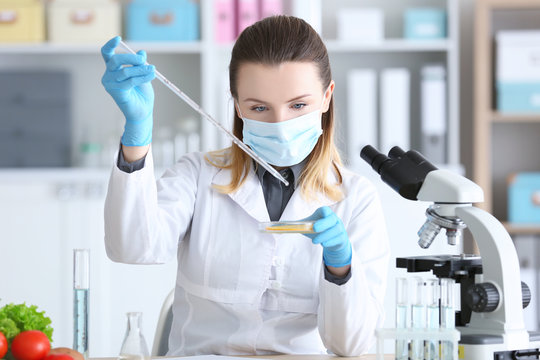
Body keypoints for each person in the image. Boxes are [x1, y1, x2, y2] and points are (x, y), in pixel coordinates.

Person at [101, 15, 390, 357]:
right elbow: (132, 247)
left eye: (299, 105)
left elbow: (353, 346)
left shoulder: (356, 198)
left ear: (326, 97)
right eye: (259, 107)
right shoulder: (197, 176)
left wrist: (340, 266)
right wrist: (137, 132)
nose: (281, 124)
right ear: (238, 105)